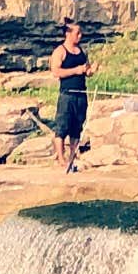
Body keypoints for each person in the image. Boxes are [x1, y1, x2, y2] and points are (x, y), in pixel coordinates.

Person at [51, 19, 91, 173]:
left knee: (77, 127)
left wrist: (90, 71)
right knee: (62, 127)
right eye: (77, 33)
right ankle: (60, 158)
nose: (80, 36)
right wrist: (76, 70)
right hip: (67, 95)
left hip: (81, 94)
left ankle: (73, 156)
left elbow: (85, 71)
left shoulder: (81, 51)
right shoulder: (60, 51)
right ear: (68, 34)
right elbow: (56, 72)